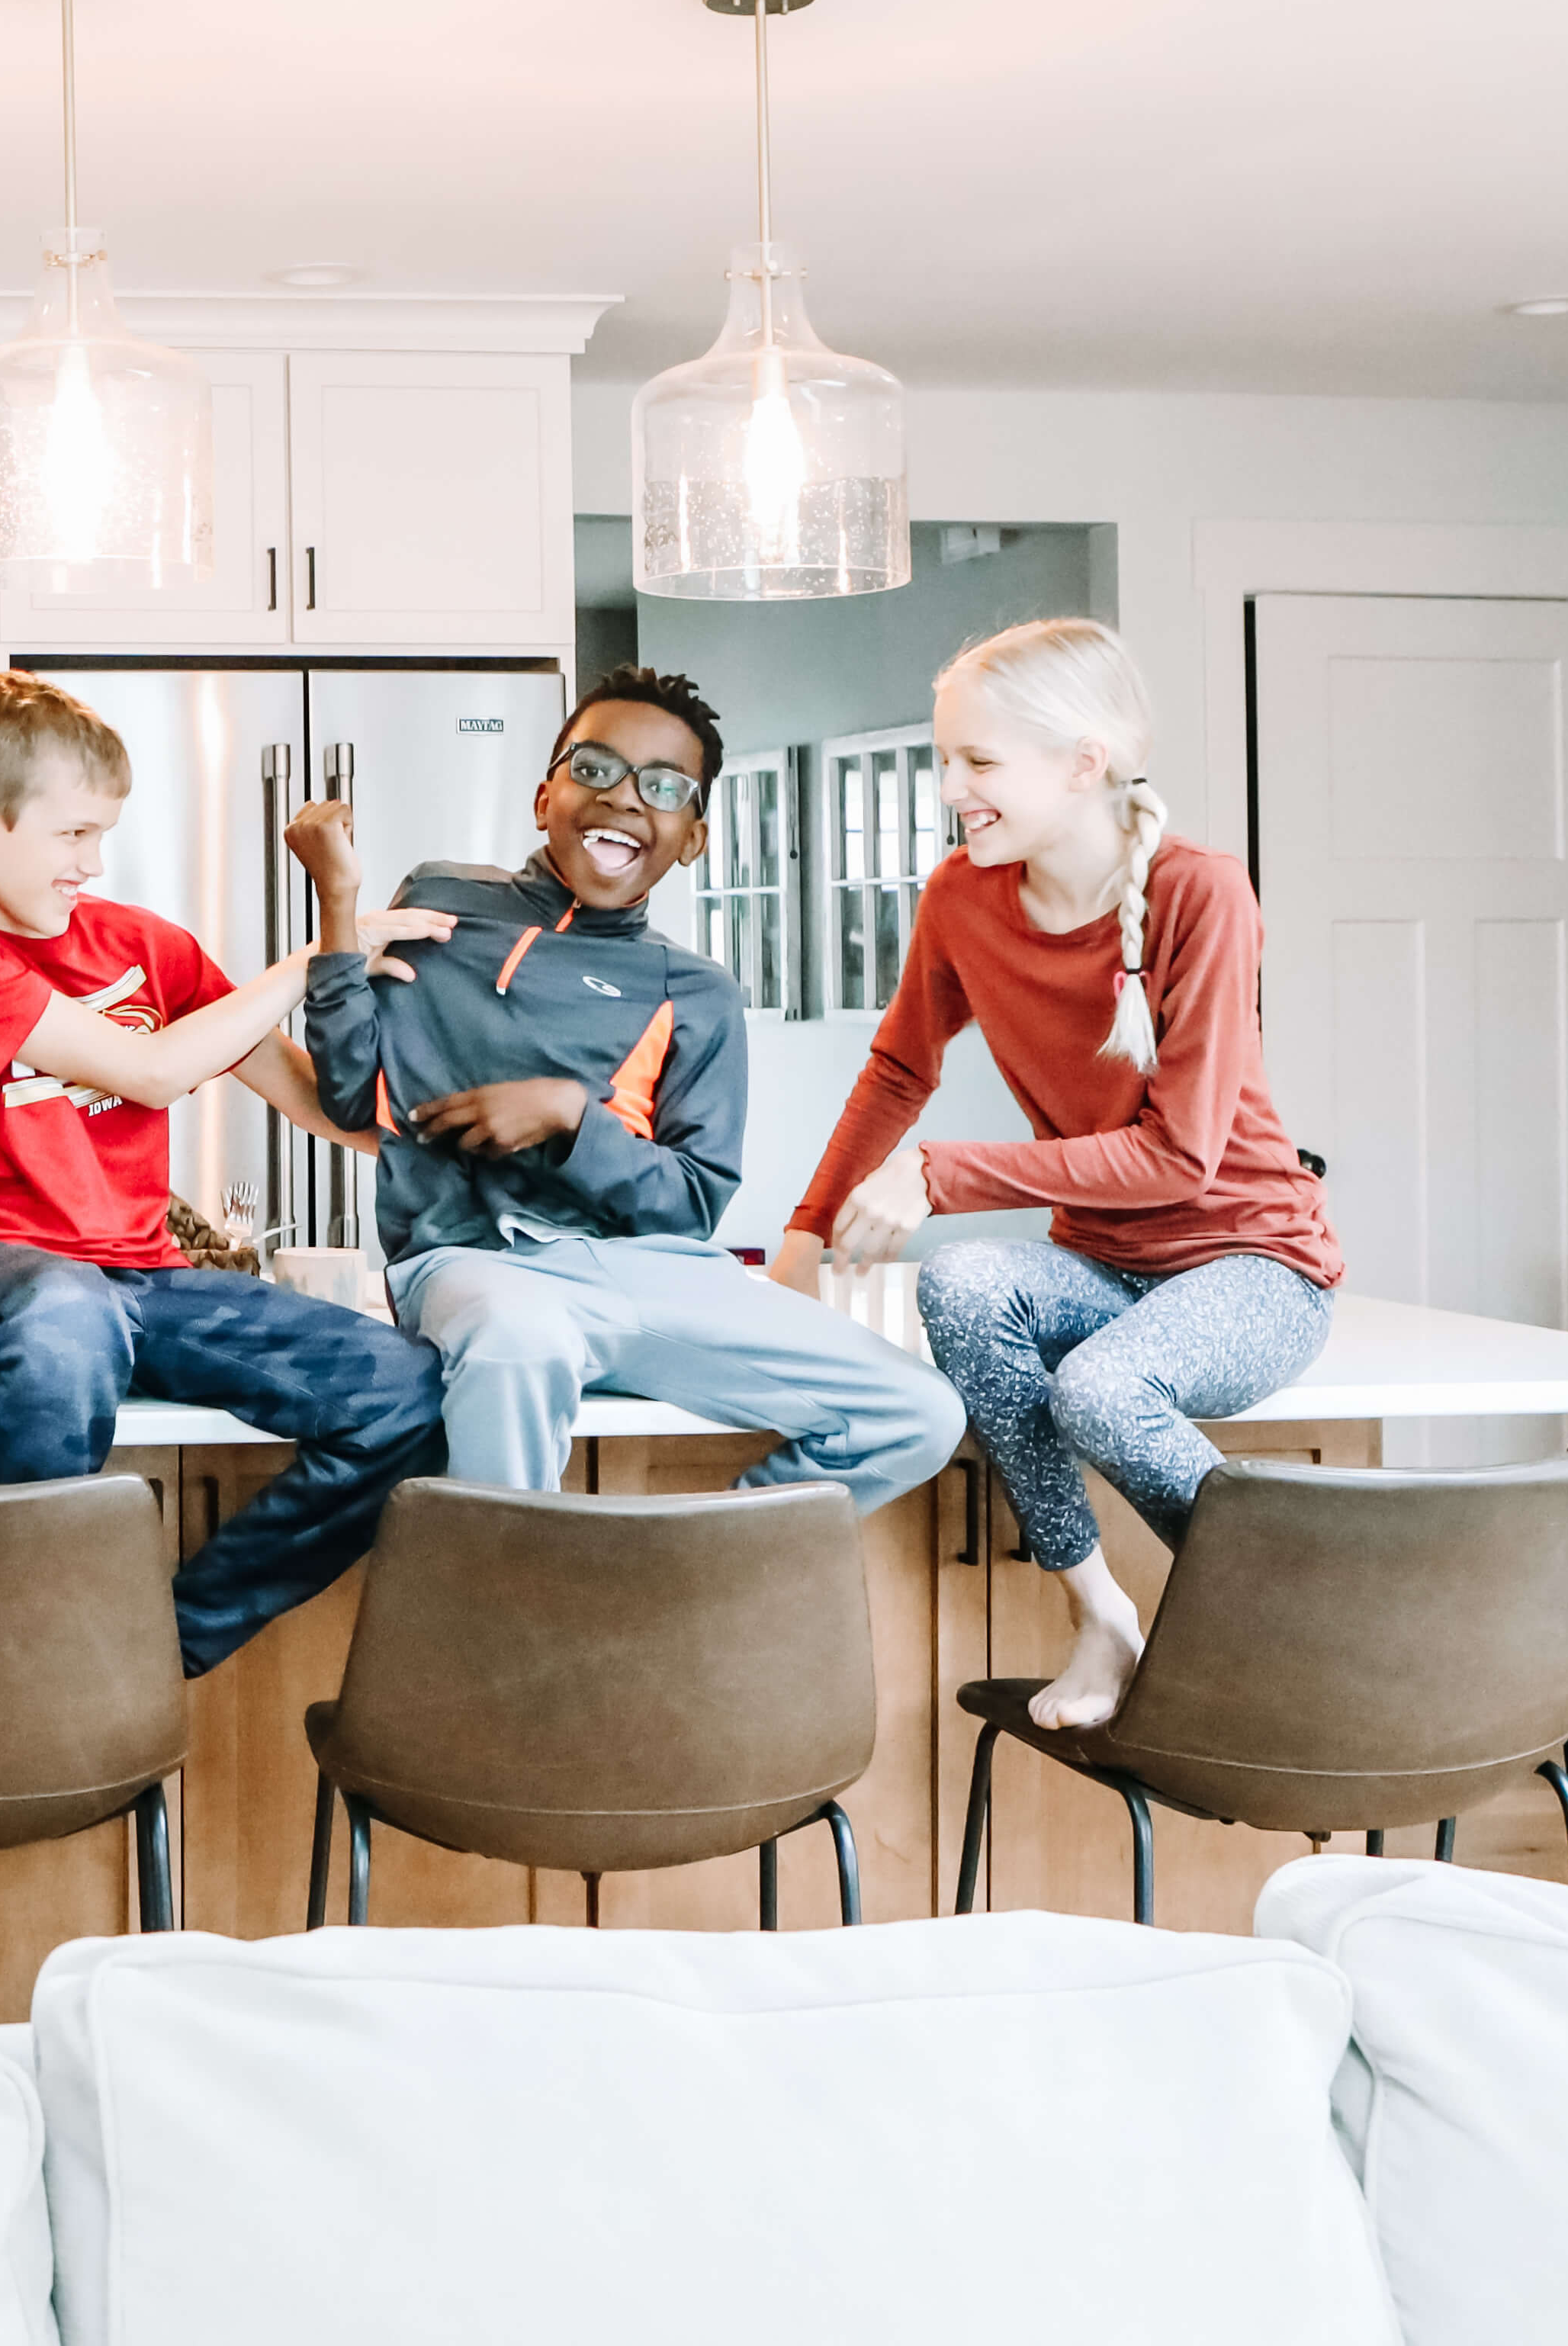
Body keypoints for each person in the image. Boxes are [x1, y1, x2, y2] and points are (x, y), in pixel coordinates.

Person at [783, 616, 1341, 1732]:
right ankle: (1102, 1613)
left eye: (978, 762)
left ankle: (1300, 1614)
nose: (950, 787)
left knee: (1097, 1387)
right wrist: (801, 1238)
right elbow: (900, 1067)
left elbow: (1177, 1155)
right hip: (1102, 1264)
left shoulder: (1198, 892)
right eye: (948, 760)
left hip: (1255, 1263)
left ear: (1082, 762)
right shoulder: (960, 898)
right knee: (967, 1284)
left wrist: (945, 1175)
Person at [0, 670, 462, 1674]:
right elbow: (149, 1066)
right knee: (68, 1321)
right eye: (71, 834)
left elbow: (313, 1099)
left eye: (104, 834)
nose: (92, 862)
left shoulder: (148, 948)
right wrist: (319, 950)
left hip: (142, 1278)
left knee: (402, 1389)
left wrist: (451, 1129)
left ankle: (158, 1641)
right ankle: (27, 1654)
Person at [288, 663, 965, 1509]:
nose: (623, 798)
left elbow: (692, 1203)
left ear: (692, 838)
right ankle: (498, 1635)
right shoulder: (439, 905)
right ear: (544, 799)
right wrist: (338, 907)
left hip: (657, 1273)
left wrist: (571, 1121)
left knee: (918, 1412)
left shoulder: (697, 991)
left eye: (662, 785)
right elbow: (352, 1094)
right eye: (595, 769)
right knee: (518, 1342)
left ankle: (672, 1587)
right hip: (473, 1261)